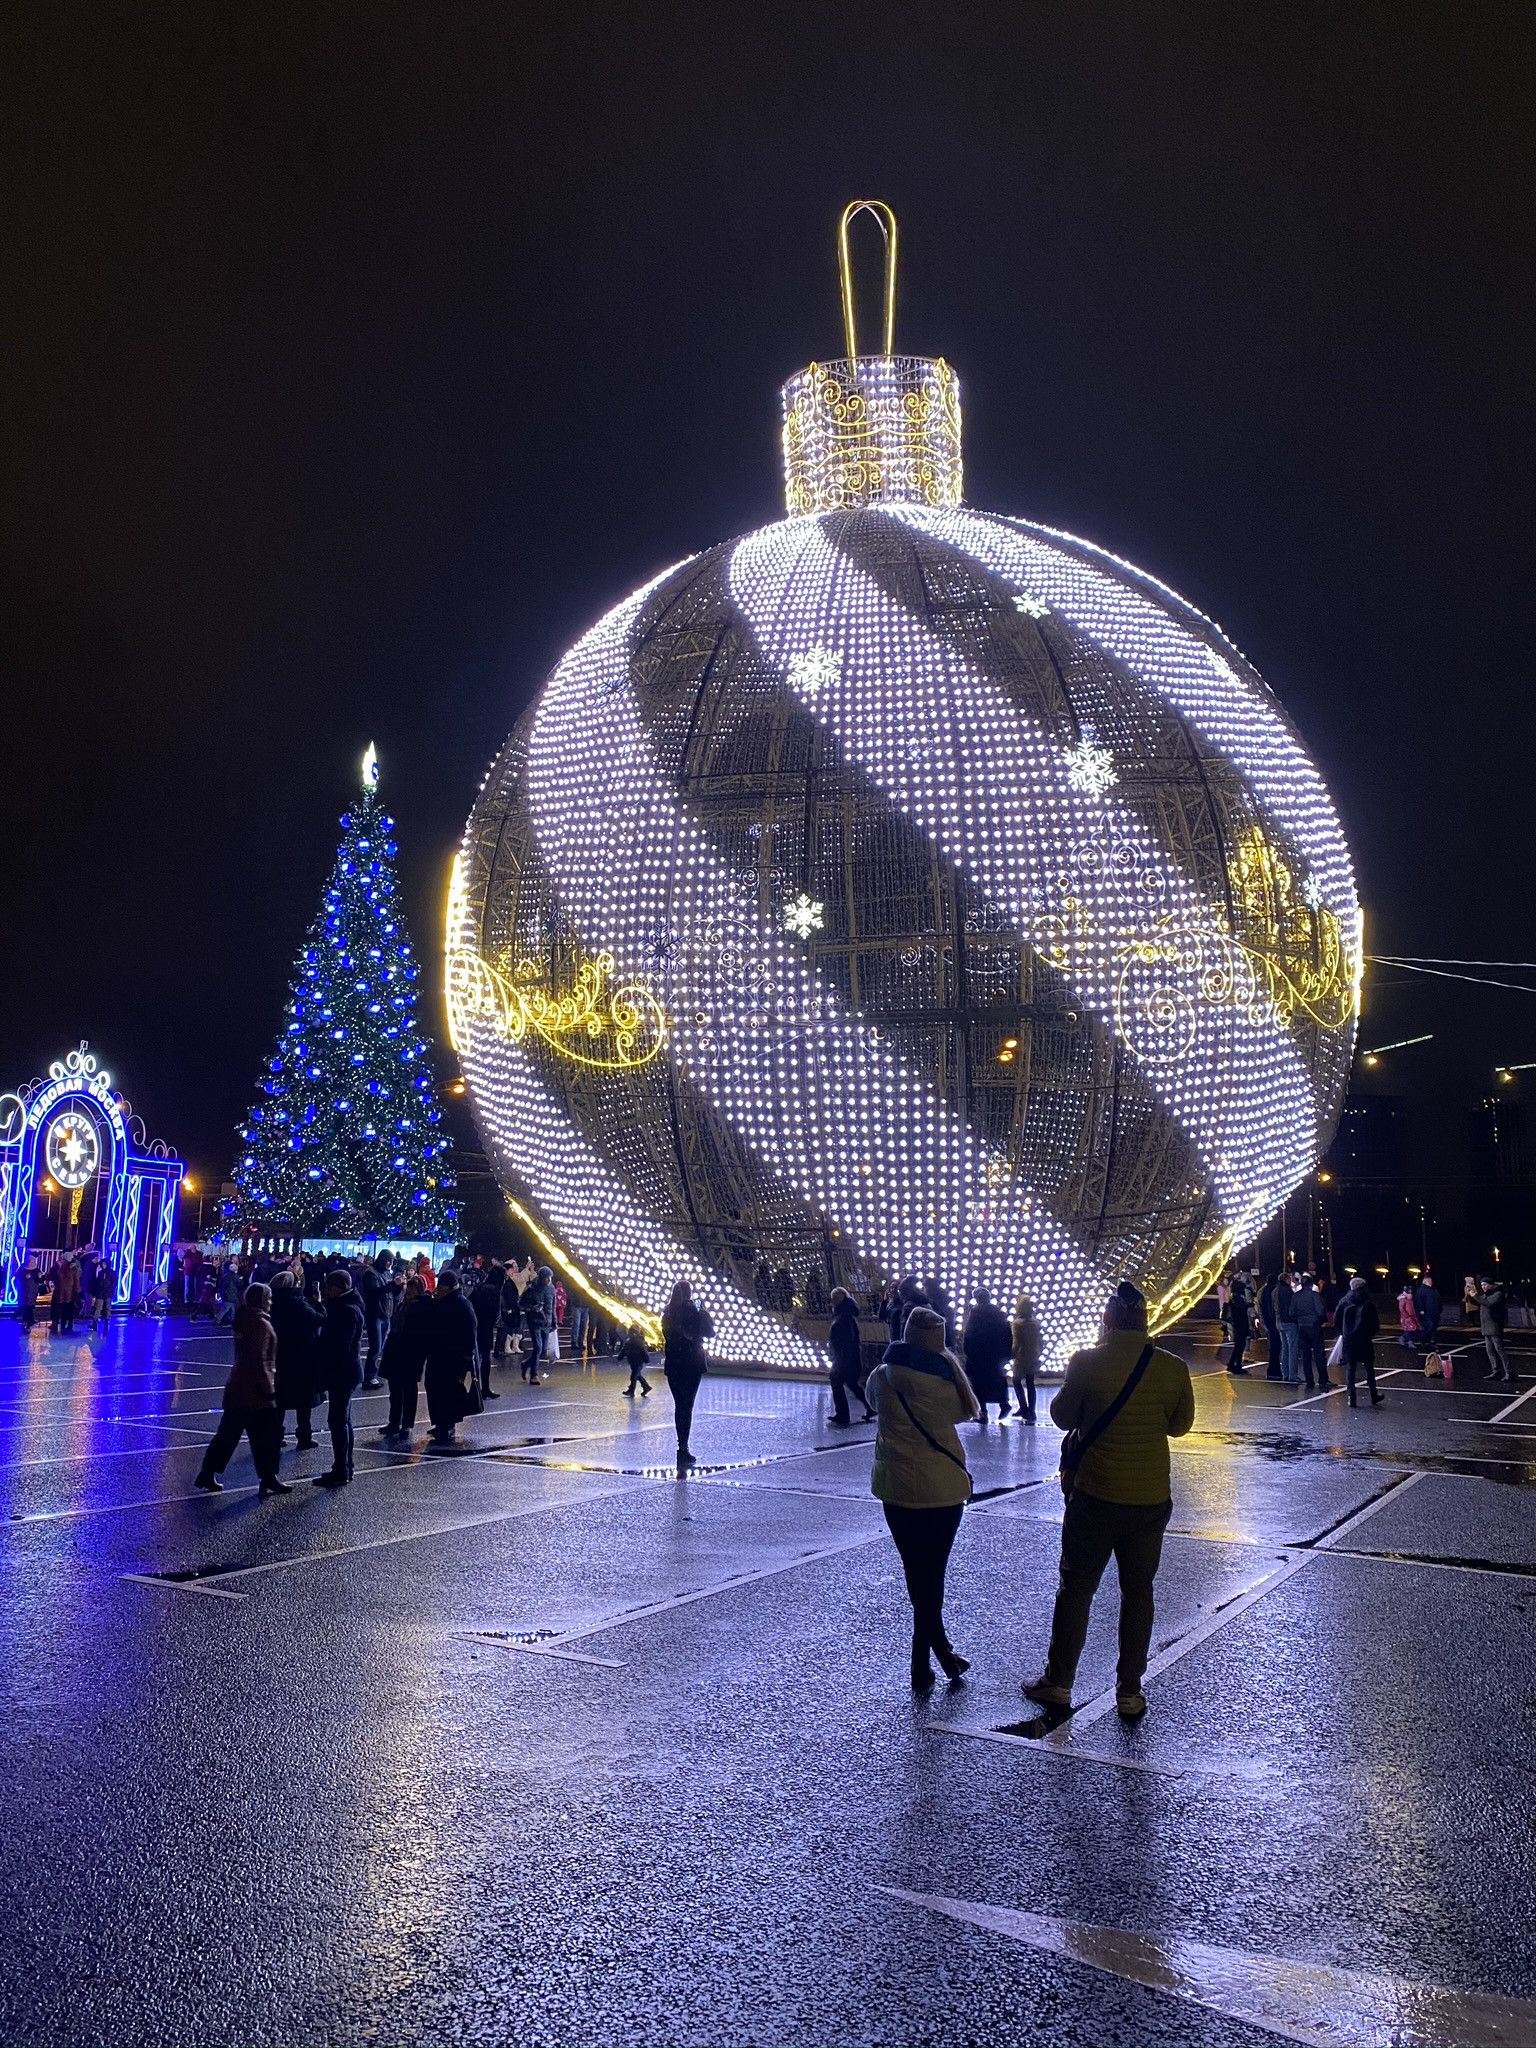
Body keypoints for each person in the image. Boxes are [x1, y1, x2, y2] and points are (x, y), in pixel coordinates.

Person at [1023, 1281, 1194, 1720]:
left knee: (1077, 1588)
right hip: (1149, 1498)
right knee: (1138, 1592)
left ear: (1108, 1320)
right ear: (1145, 1322)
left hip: (1095, 1495)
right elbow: (1180, 1426)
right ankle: (1130, 1691)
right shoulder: (1172, 1367)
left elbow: (1061, 1416)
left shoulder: (1086, 1361)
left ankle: (1059, 1681)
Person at [865, 1305, 978, 1692]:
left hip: (895, 1489)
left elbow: (871, 1402)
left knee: (916, 1573)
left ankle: (930, 1658)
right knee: (933, 1574)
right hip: (941, 1491)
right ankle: (929, 1655)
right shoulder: (947, 1383)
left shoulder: (882, 1377)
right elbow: (965, 1412)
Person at [193, 1282, 289, 1498]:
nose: (271, 1302)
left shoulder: (243, 1318)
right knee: (267, 1437)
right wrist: (269, 1389)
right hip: (256, 1391)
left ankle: (207, 1472)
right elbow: (260, 1360)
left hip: (237, 1387)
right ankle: (269, 1477)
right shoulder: (260, 1324)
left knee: (228, 1434)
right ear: (261, 1300)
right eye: (268, 1298)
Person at [312, 1268, 365, 1487]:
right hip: (346, 1370)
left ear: (339, 1288)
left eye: (330, 1288)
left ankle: (342, 1469)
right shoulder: (347, 1306)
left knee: (338, 1420)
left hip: (342, 1371)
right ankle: (344, 1466)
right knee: (343, 1420)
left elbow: (340, 1345)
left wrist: (320, 1350)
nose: (327, 1291)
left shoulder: (346, 1310)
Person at [269, 1269, 324, 1450]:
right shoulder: (298, 1303)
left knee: (280, 1398)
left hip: (281, 1354)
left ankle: (275, 1436)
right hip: (302, 1355)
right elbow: (319, 1319)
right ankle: (304, 1437)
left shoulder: (272, 1302)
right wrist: (319, 1304)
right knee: (304, 1400)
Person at [662, 1279, 713, 1468]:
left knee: (679, 1406)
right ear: (690, 1294)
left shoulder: (668, 1312)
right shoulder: (693, 1312)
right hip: (692, 1362)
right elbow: (709, 1332)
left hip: (674, 1363)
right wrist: (703, 1311)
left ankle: (681, 1446)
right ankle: (683, 1448)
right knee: (687, 1406)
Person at [424, 1270, 478, 1445]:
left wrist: (468, 1354)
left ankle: (446, 1425)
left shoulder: (461, 1304)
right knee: (434, 1387)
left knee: (447, 1390)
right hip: (438, 1353)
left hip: (453, 1355)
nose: (438, 1289)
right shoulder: (442, 1302)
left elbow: (471, 1330)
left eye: (441, 1286)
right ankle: (441, 1423)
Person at [379, 1273, 434, 1440]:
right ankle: (394, 1422)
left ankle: (407, 1424)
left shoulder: (423, 1307)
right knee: (395, 1389)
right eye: (407, 1288)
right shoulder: (403, 1304)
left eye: (411, 1289)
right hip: (396, 1348)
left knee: (409, 1389)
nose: (408, 1292)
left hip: (411, 1351)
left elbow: (421, 1332)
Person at [961, 1286, 1014, 1423]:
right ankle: (1004, 1403)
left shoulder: (976, 1314)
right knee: (998, 1379)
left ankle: (983, 1413)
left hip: (979, 1355)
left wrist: (968, 1350)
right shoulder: (999, 1313)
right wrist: (1007, 1352)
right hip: (996, 1354)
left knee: (979, 1383)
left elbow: (970, 1334)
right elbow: (1007, 1333)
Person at [826, 1286, 874, 1426]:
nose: (832, 1301)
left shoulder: (843, 1316)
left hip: (843, 1358)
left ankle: (843, 1414)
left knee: (837, 1382)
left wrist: (838, 1359)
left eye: (834, 1298)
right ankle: (869, 1407)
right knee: (852, 1384)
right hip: (849, 1358)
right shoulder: (846, 1315)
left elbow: (844, 1340)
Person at [1337, 1274, 1384, 1407]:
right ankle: (1373, 1394)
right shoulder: (1369, 1303)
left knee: (1350, 1369)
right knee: (1369, 1368)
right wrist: (1369, 1334)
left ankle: (1351, 1397)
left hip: (1349, 1340)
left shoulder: (1344, 1301)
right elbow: (1375, 1324)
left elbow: (1337, 1320)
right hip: (1364, 1339)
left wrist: (1343, 1333)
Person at [469, 1263, 504, 1401]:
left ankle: (477, 1388)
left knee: (477, 1359)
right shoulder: (494, 1291)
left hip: (476, 1326)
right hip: (486, 1327)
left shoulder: (480, 1288)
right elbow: (494, 1312)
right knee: (485, 1359)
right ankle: (485, 1388)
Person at [1292, 1273, 1330, 1391]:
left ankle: (1309, 1380)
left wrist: (1299, 1320)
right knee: (1319, 1353)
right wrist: (1319, 1321)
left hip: (1302, 1326)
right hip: (1314, 1326)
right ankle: (1323, 1380)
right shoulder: (1314, 1295)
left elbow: (1291, 1313)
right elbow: (1320, 1311)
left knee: (1306, 1354)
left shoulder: (1295, 1296)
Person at [1010, 1291, 1043, 1423]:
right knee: (1030, 1383)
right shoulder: (1035, 1323)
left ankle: (1023, 1407)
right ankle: (1032, 1411)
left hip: (1021, 1357)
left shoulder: (1017, 1323)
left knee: (1016, 1381)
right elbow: (1040, 1341)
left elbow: (1017, 1343)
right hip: (1033, 1356)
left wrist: (1012, 1354)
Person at [521, 1264, 556, 1382]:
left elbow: (553, 1306)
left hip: (546, 1323)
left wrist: (554, 1322)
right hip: (535, 1322)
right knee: (538, 1348)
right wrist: (532, 1308)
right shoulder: (531, 1289)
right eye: (547, 1278)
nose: (549, 1280)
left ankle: (526, 1364)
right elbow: (521, 1304)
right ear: (542, 1278)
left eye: (550, 1278)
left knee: (543, 1350)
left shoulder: (551, 1289)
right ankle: (533, 1375)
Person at [1479, 1277, 1514, 1382]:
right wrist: (1471, 1294)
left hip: (1494, 1326)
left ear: (1491, 1285)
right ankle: (1496, 1371)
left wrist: (1475, 1296)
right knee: (1490, 1351)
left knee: (1499, 1350)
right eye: (1482, 1285)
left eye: (1485, 1284)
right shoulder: (1485, 1295)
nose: (1483, 1287)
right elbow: (1478, 1301)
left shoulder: (1497, 1294)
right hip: (1486, 1327)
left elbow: (1489, 1304)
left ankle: (1509, 1372)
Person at [1219, 1276, 1251, 1374]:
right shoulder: (1237, 1299)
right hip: (1239, 1325)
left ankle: (1234, 1364)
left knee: (1238, 1346)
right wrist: (1248, 1306)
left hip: (1236, 1325)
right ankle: (1235, 1365)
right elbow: (1240, 1311)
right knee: (1239, 1346)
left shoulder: (1233, 1298)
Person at [1275, 1270, 1300, 1383]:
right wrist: (1294, 1319)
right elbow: (1292, 1307)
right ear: (1286, 1279)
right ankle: (1292, 1375)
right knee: (1292, 1349)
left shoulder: (1275, 1291)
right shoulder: (1288, 1291)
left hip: (1279, 1321)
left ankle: (1285, 1373)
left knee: (1284, 1348)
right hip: (1289, 1322)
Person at [1258, 1273, 1283, 1379]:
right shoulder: (1274, 1291)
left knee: (1272, 1347)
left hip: (1266, 1322)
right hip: (1273, 1322)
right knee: (1276, 1347)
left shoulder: (1261, 1291)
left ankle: (1272, 1370)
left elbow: (1260, 1308)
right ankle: (1275, 1370)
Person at [619, 1322, 653, 1398]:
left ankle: (631, 1390)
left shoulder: (638, 1342)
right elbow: (624, 1350)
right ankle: (646, 1387)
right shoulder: (629, 1341)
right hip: (633, 1361)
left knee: (634, 1376)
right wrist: (620, 1357)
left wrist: (646, 1358)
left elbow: (643, 1351)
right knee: (637, 1375)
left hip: (638, 1361)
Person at [50, 1255, 80, 1335]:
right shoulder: (60, 1268)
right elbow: (53, 1277)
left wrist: (76, 1290)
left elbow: (76, 1280)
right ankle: (61, 1322)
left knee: (67, 1307)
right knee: (61, 1307)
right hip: (61, 1291)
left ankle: (67, 1322)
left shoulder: (72, 1268)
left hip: (67, 1292)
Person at [88, 1258, 116, 1335]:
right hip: (100, 1293)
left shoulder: (112, 1273)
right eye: (102, 1264)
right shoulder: (100, 1273)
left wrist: (110, 1292)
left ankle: (106, 1321)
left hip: (107, 1293)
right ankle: (94, 1323)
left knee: (107, 1308)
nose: (103, 1265)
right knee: (98, 1308)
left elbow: (113, 1284)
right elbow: (97, 1284)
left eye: (104, 1264)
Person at [1396, 1279, 1421, 1356]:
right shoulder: (1404, 1299)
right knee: (1410, 1329)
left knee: (1411, 1329)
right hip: (1407, 1317)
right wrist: (1407, 1316)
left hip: (1410, 1316)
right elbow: (1402, 1308)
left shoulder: (1408, 1299)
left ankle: (1408, 1340)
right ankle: (1405, 1339)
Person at [18, 1258, 41, 1331]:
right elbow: (18, 1276)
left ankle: (29, 1320)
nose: (31, 1263)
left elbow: (40, 1280)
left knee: (30, 1305)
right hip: (25, 1290)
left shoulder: (36, 1270)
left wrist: (40, 1277)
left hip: (33, 1291)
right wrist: (24, 1276)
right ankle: (26, 1321)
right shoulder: (23, 1269)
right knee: (26, 1305)